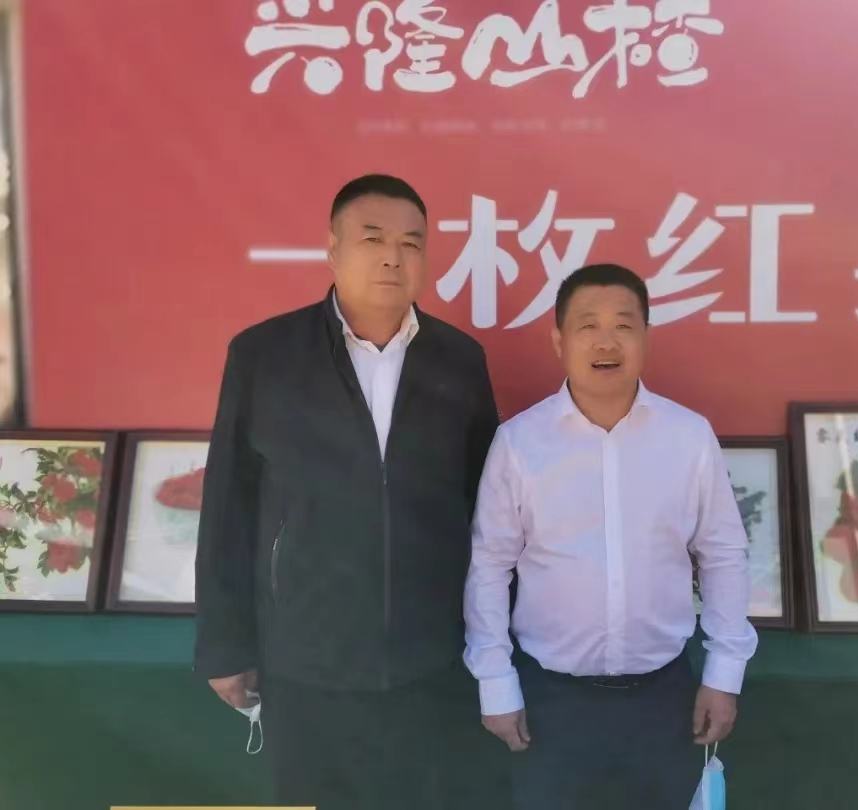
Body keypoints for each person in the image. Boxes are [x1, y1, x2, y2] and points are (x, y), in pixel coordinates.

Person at [195, 174, 501, 809]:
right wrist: (225, 643)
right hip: (305, 658)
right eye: (373, 238)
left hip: (431, 660)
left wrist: (489, 643)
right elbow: (228, 508)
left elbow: (487, 513)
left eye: (411, 243)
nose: (393, 257)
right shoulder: (264, 356)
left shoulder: (460, 360)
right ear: (333, 250)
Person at [464, 263, 758, 809]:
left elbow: (723, 555)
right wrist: (494, 679)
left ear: (646, 337)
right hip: (550, 700)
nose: (606, 341)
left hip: (664, 698)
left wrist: (724, 674)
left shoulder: (688, 436)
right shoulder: (519, 443)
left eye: (624, 325)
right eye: (587, 326)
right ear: (559, 341)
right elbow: (489, 565)